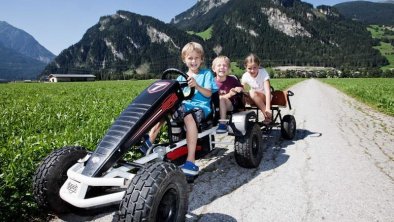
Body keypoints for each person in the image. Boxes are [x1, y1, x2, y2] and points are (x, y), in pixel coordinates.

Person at [143, 42, 217, 176]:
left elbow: (208, 94)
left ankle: (191, 161)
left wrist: (197, 86)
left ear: (201, 59)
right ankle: (149, 140)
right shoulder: (180, 77)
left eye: (196, 58)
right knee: (164, 108)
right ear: (184, 60)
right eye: (190, 58)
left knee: (188, 116)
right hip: (185, 106)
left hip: (201, 107)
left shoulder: (206, 74)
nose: (193, 61)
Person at [212, 55, 243, 134]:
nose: (222, 67)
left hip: (230, 105)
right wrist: (229, 94)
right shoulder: (212, 81)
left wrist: (238, 89)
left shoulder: (232, 80)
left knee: (222, 99)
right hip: (214, 105)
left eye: (225, 66)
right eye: (219, 65)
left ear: (228, 69)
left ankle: (223, 123)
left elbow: (240, 87)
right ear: (214, 69)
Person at [241, 53, 272, 124]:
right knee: (242, 94)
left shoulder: (263, 72)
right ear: (245, 67)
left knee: (252, 92)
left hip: (265, 96)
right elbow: (242, 90)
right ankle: (242, 114)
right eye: (249, 68)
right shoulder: (245, 76)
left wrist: (267, 108)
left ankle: (267, 115)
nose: (252, 70)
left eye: (255, 67)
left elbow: (267, 91)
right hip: (254, 97)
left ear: (258, 65)